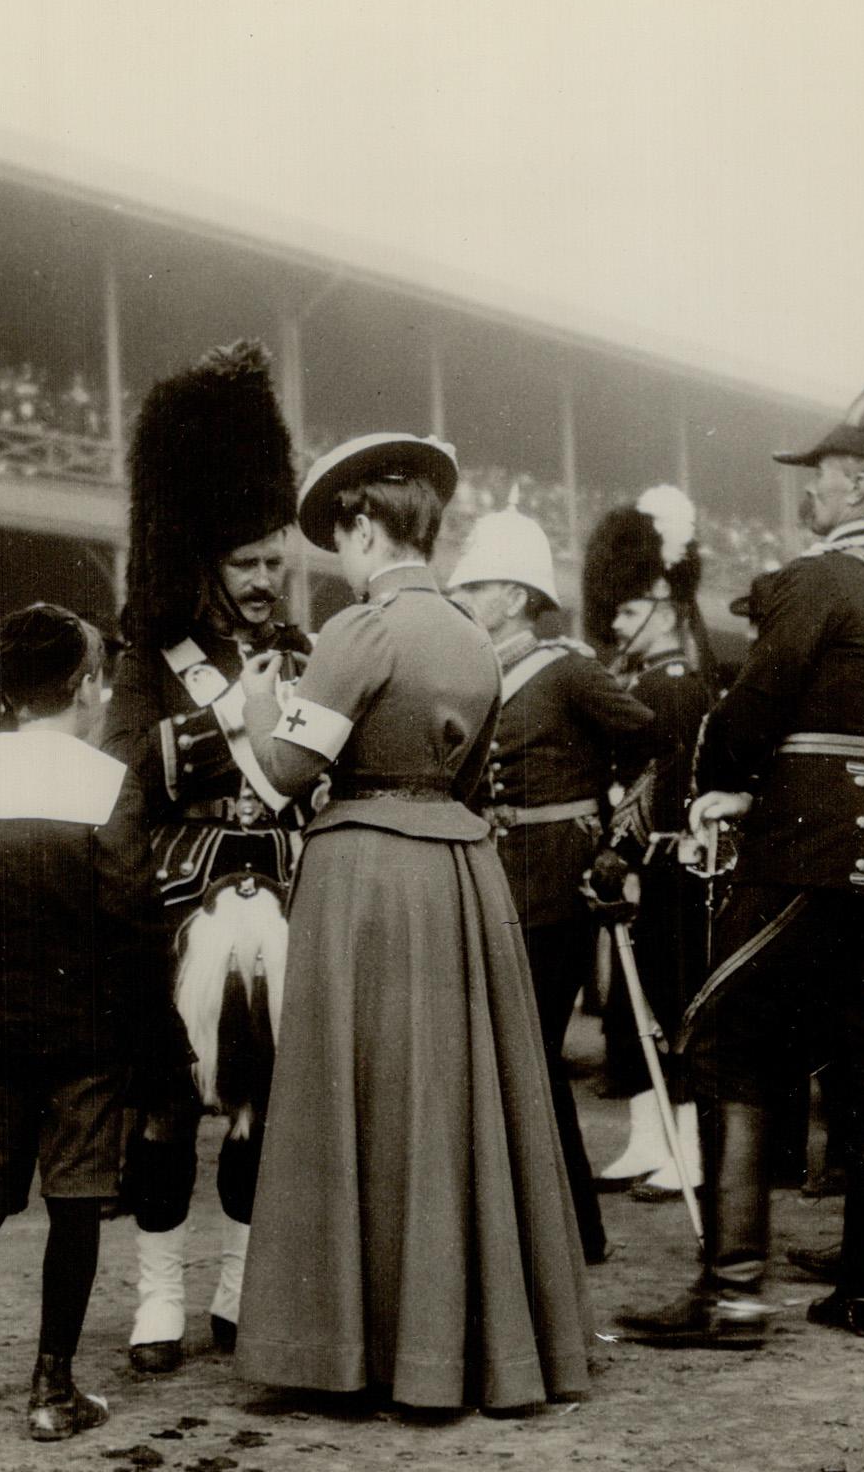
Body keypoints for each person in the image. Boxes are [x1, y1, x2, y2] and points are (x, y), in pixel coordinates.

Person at [235, 431, 594, 1411]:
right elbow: (472, 776)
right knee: (447, 1101)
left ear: (359, 526)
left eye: (335, 537)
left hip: (364, 875)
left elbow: (282, 776)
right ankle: (461, 1345)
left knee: (362, 1100)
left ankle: (358, 1348)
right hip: (458, 871)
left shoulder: (362, 631)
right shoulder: (476, 642)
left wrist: (251, 711)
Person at [619, 364, 864, 1346]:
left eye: (820, 475)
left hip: (805, 850)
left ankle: (731, 1293)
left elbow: (750, 713)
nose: (806, 489)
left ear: (857, 482)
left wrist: (722, 782)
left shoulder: (816, 581)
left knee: (723, 1033)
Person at [0, 604, 183, 1439]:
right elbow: (131, 918)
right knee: (76, 1202)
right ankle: (52, 1391)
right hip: (84, 1037)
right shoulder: (101, 782)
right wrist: (143, 1030)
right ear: (84, 686)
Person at [100, 341, 313, 1372]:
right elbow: (119, 779)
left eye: (279, 558)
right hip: (178, 911)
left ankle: (238, 1286)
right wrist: (226, 732)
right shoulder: (149, 659)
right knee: (162, 1123)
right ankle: (157, 1301)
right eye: (247, 563)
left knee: (263, 1122)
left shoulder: (315, 656)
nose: (269, 579)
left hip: (285, 907)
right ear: (205, 564)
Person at [447, 497, 658, 1263]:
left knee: (528, 1051)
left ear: (512, 596)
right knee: (512, 1055)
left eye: (473, 590)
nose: (462, 601)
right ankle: (560, 1226)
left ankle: (572, 1229)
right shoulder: (469, 673)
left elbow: (654, 748)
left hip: (557, 888)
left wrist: (619, 847)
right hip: (490, 882)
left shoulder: (568, 669)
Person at [582, 487, 715, 1203]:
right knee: (629, 1010)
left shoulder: (675, 683)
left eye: (631, 611)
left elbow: (653, 783)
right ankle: (647, 1136)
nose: (619, 623)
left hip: (674, 864)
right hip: (646, 864)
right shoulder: (643, 680)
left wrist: (622, 852)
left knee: (672, 1001)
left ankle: (688, 1146)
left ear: (664, 604)